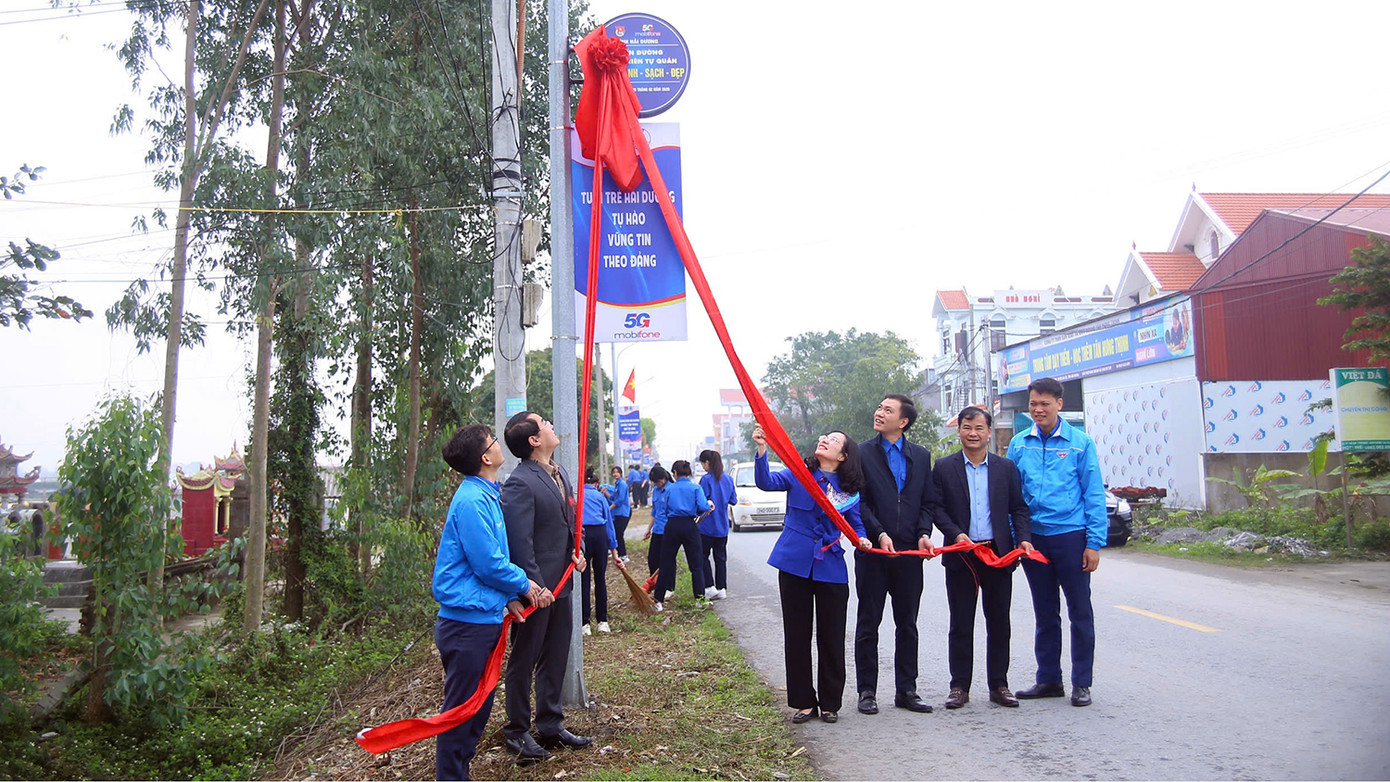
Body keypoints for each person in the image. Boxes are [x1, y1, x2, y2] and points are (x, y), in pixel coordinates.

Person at [432, 424, 547, 781]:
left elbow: (491, 561)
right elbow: (488, 563)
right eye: (494, 442)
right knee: (462, 711)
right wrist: (525, 585)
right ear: (486, 457)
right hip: (465, 626)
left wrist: (509, 598)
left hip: (482, 619)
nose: (500, 445)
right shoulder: (471, 501)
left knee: (478, 709)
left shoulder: (486, 494)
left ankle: (459, 773)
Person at [752, 424, 871, 725]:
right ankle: (803, 702)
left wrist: (862, 538)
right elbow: (766, 482)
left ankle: (830, 702)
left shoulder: (850, 491)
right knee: (797, 634)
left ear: (843, 455)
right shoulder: (798, 474)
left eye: (832, 440)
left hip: (831, 566)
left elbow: (856, 525)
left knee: (831, 636)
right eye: (823, 437)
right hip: (794, 563)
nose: (823, 440)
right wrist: (762, 450)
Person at [1007, 377, 1107, 708]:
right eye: (1033, 403)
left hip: (1070, 536)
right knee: (1045, 611)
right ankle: (1048, 678)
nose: (1038, 409)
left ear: (1059, 405)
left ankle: (1082, 683)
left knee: (1080, 611)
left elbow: (1093, 493)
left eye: (1045, 404)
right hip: (1034, 540)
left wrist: (1093, 542)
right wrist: (1016, 540)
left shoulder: (1080, 443)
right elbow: (1011, 496)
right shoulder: (1020, 444)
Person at [499, 411, 592, 761]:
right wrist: (533, 586)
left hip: (562, 586)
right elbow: (519, 542)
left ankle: (550, 724)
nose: (552, 424)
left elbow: (567, 525)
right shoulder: (521, 482)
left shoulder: (560, 472)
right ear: (534, 440)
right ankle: (517, 733)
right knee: (525, 659)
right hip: (536, 593)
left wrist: (577, 552)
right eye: (544, 423)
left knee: (556, 656)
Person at [932, 406, 1033, 710]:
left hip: (998, 555)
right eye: (966, 427)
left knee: (999, 621)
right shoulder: (944, 467)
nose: (972, 433)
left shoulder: (1005, 468)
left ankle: (999, 685)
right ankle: (959, 685)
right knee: (961, 621)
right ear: (958, 431)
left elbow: (1018, 507)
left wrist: (1023, 539)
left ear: (989, 432)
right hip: (962, 554)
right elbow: (937, 508)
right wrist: (955, 533)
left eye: (979, 428)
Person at [854, 394, 939, 716]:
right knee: (868, 623)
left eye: (887, 410)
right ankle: (867, 691)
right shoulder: (861, 453)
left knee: (908, 624)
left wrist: (923, 534)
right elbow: (859, 503)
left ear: (903, 422)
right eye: (879, 407)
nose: (879, 413)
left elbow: (927, 502)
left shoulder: (920, 455)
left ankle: (907, 690)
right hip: (874, 552)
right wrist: (879, 533)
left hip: (909, 554)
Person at [653, 460, 712, 609]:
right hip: (689, 525)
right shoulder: (695, 488)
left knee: (665, 563)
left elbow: (665, 509)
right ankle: (699, 599)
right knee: (696, 564)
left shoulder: (670, 489)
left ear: (675, 473)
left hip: (672, 525)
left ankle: (658, 601)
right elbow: (704, 506)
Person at [581, 467, 622, 635]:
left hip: (582, 536)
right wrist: (615, 552)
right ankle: (602, 621)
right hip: (599, 535)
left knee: (583, 580)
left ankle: (584, 623)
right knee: (600, 578)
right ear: (596, 484)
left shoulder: (576, 496)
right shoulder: (599, 496)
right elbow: (609, 525)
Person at [697, 449, 736, 600]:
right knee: (720, 558)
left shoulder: (706, 480)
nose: (702, 467)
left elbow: (701, 503)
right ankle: (722, 588)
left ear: (707, 463)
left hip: (707, 526)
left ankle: (709, 585)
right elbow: (733, 500)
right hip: (722, 526)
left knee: (702, 556)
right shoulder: (727, 479)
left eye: (702, 463)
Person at [644, 465, 671, 584]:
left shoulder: (672, 489)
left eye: (658, 481)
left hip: (668, 530)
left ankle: (669, 585)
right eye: (655, 482)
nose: (657, 484)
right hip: (657, 529)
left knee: (667, 559)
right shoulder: (656, 490)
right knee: (652, 558)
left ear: (664, 478)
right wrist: (648, 529)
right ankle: (655, 582)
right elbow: (654, 511)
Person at [607, 465, 632, 561]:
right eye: (613, 472)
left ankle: (623, 555)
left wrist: (610, 508)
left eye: (617, 472)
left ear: (620, 473)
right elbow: (613, 497)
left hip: (623, 513)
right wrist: (606, 494)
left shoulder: (622, 484)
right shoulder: (617, 484)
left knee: (619, 534)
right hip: (617, 513)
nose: (615, 474)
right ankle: (617, 553)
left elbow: (620, 500)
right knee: (616, 533)